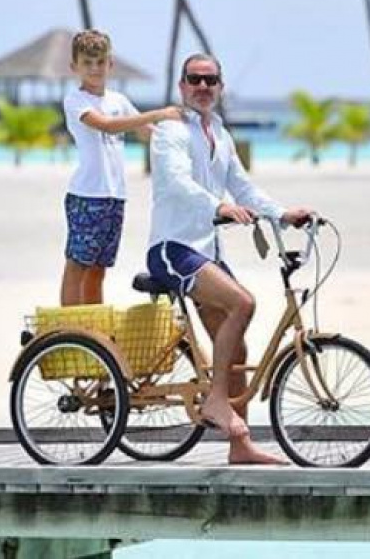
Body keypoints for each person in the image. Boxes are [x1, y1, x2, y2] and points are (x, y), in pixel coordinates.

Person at [146, 53, 315, 465]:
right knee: (243, 303)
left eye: (211, 80)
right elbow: (176, 181)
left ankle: (240, 446)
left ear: (220, 87)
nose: (203, 87)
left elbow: (244, 186)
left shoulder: (219, 132)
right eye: (195, 79)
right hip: (172, 248)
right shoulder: (170, 130)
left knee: (237, 351)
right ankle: (217, 401)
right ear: (182, 86)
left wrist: (282, 213)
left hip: (207, 252)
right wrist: (218, 206)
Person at [60, 30, 182, 306]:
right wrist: (159, 112)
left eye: (100, 62)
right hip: (87, 196)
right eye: (87, 63)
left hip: (115, 197)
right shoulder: (75, 100)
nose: (94, 68)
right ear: (74, 66)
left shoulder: (119, 100)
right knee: (77, 264)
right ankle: (70, 325)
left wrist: (185, 138)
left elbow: (147, 132)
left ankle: (95, 325)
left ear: (110, 64)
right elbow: (106, 125)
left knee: (99, 268)